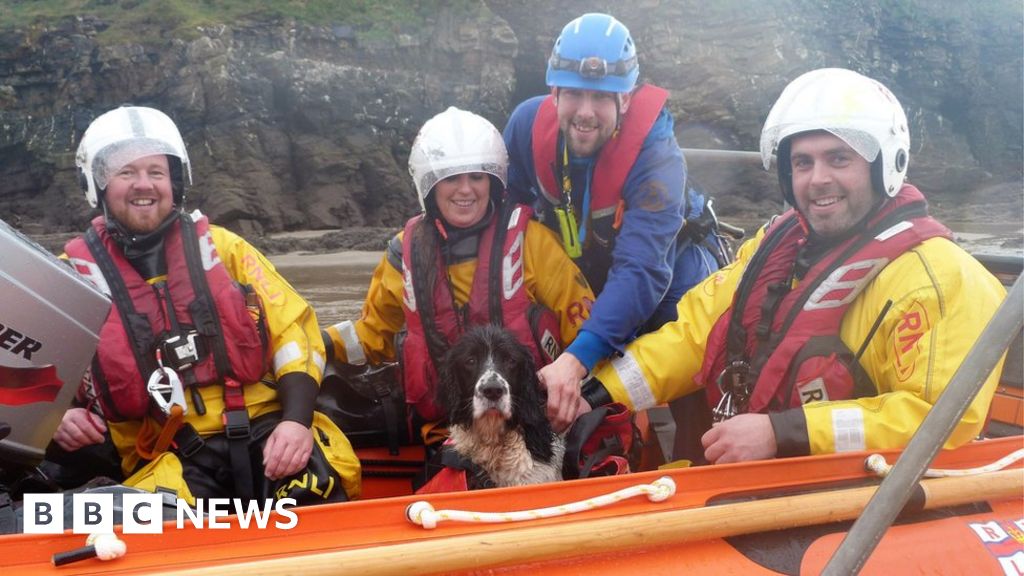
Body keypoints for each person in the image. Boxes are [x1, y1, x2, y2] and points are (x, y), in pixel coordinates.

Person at [583, 68, 1007, 464]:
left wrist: (781, 433)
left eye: (839, 159)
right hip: (749, 475)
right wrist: (598, 394)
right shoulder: (777, 246)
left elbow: (941, 419)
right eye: (803, 163)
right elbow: (694, 335)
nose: (817, 178)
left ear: (883, 165)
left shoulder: (943, 280)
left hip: (852, 498)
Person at [51, 106, 361, 504]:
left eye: (156, 173)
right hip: (167, 457)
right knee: (129, 530)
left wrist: (297, 423)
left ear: (175, 183)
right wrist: (55, 418)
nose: (143, 185)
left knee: (320, 488)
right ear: (98, 185)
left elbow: (294, 333)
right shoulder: (69, 278)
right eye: (126, 172)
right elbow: (23, 369)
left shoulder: (225, 249)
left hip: (268, 433)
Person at [322, 106, 595, 447]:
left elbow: (587, 331)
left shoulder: (533, 244)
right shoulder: (403, 255)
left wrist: (592, 396)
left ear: (493, 181)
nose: (466, 190)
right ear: (430, 185)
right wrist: (316, 344)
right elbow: (370, 337)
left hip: (532, 429)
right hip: (444, 431)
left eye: (477, 177)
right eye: (451, 178)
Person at [503, 13, 723, 431]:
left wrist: (578, 358)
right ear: (554, 92)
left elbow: (641, 271)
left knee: (690, 390)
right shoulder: (525, 127)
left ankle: (694, 449)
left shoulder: (658, 159)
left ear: (626, 99)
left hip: (669, 283)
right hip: (586, 277)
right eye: (574, 94)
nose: (586, 112)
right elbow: (509, 223)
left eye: (602, 98)